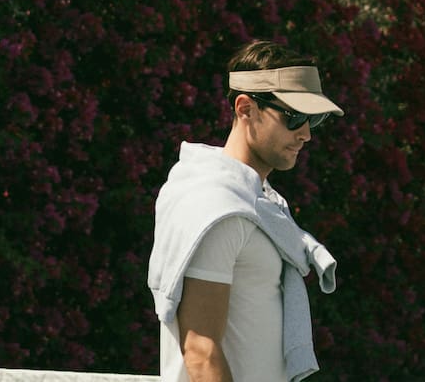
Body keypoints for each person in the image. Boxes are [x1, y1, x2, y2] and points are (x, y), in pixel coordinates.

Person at [147, 40, 344, 382]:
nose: (306, 134)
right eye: (294, 116)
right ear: (245, 108)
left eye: (314, 119)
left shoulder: (257, 205)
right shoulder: (216, 207)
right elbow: (200, 350)